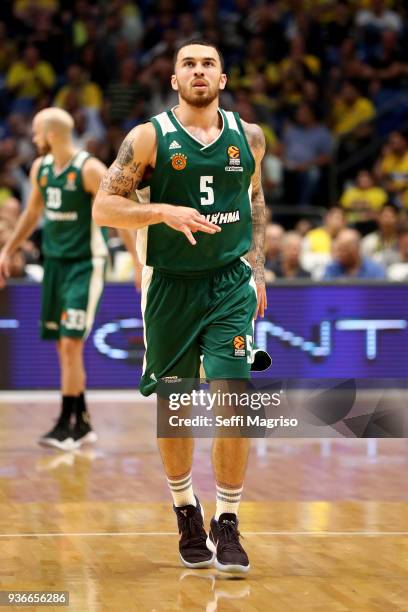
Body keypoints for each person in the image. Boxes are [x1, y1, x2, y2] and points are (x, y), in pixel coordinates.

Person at [93, 40, 268, 574]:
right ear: (174, 80)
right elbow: (104, 206)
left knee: (234, 399)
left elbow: (255, 200)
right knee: (175, 406)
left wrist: (257, 268)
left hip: (228, 284)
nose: (198, 71)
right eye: (188, 64)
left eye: (207, 64)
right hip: (169, 285)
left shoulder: (249, 137)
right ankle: (186, 509)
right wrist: (163, 211)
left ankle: (229, 521)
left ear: (223, 77)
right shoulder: (148, 137)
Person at [0, 107, 139, 451]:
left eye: (36, 132)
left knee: (72, 343)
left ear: (50, 134)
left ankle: (68, 423)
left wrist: (138, 260)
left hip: (85, 264)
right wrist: (9, 249)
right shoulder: (41, 169)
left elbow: (119, 216)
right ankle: (81, 421)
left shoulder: (90, 169)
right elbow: (32, 213)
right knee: (64, 346)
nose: (33, 139)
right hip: (55, 266)